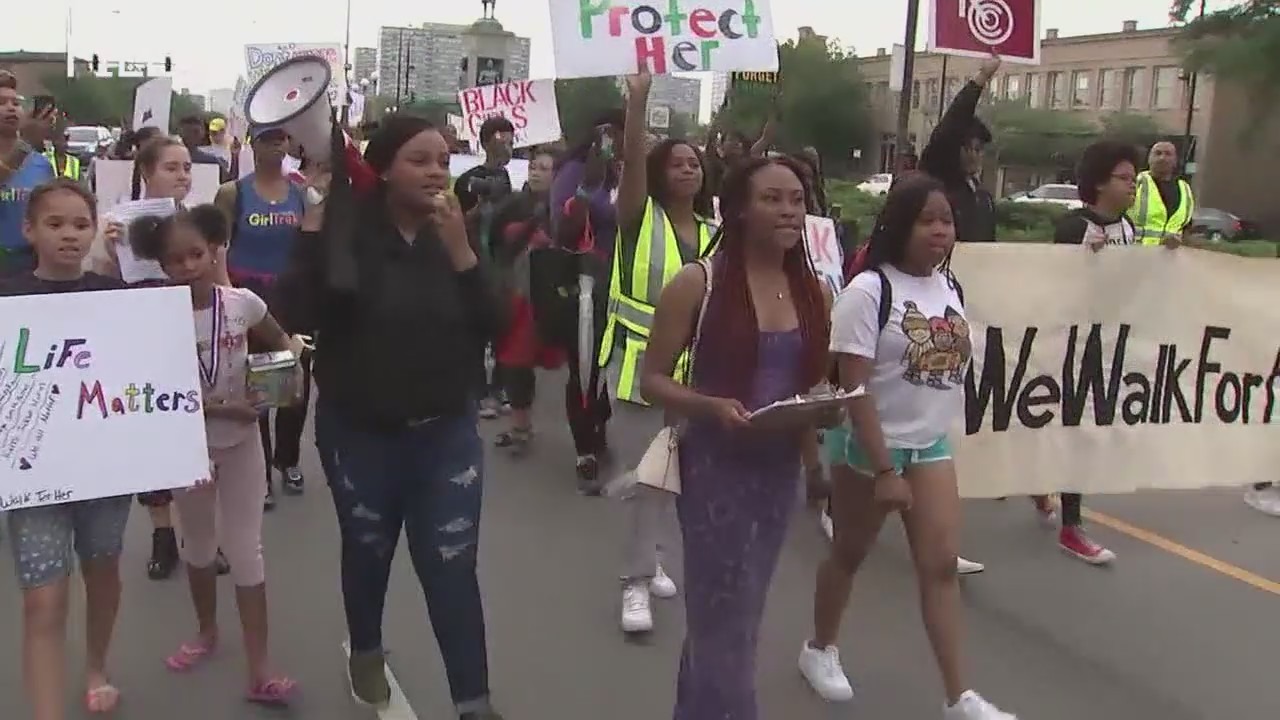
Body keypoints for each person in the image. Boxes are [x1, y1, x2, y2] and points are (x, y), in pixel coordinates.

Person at [277, 114, 504, 719]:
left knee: (452, 567)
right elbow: (296, 310)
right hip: (359, 434)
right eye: (420, 159)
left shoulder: (453, 231)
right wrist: (312, 229)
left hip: (445, 436)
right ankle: (367, 649)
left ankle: (474, 704)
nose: (436, 171)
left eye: (443, 159)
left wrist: (461, 252)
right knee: (369, 548)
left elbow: (497, 325)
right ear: (382, 169)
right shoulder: (345, 232)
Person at [800, 175, 1017, 720]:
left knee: (940, 566)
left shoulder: (950, 288)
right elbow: (854, 389)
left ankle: (958, 695)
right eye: (928, 220)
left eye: (947, 220)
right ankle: (819, 648)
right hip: (870, 448)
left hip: (929, 447)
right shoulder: (869, 292)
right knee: (850, 553)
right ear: (901, 226)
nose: (941, 230)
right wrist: (883, 468)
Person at [643, 156, 832, 719]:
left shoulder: (815, 289)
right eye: (773, 199)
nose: (789, 211)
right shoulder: (697, 282)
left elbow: (811, 383)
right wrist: (710, 407)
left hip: (778, 478)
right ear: (740, 210)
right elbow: (652, 380)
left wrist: (824, 418)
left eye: (797, 199)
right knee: (723, 623)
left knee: (734, 619)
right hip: (714, 474)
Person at [128, 204, 298, 704]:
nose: (187, 267)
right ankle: (206, 633)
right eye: (174, 260)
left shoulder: (242, 303)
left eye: (196, 255)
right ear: (160, 265)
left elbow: (282, 344)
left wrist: (280, 386)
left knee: (246, 550)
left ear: (214, 249)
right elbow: (147, 386)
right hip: (189, 449)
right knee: (198, 547)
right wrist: (221, 406)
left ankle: (260, 666)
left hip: (243, 446)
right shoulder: (154, 316)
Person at [0, 179, 132, 717]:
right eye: (55, 224)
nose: (69, 235)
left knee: (102, 571)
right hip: (32, 475)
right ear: (29, 230)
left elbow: (142, 384)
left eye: (81, 223)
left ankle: (97, 664)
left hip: (104, 470)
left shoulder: (119, 299)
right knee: (42, 599)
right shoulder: (6, 299)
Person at [606, 67, 716, 634]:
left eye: (695, 161)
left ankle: (654, 558)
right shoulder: (636, 216)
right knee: (645, 476)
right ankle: (634, 583)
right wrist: (639, 103)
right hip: (634, 367)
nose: (689, 168)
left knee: (679, 475)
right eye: (677, 161)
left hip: (695, 375)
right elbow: (630, 165)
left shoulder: (714, 230)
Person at [95, 136, 233, 580]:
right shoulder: (118, 221)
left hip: (195, 336)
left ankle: (203, 539)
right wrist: (107, 247)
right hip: (144, 335)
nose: (183, 175)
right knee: (153, 436)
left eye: (187, 167)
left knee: (198, 440)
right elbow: (105, 282)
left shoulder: (199, 223)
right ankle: (162, 535)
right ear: (147, 173)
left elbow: (223, 282)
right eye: (172, 167)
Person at [1040, 139, 1144, 565]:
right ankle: (1071, 525)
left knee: (1078, 426)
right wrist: (1085, 261)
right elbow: (1055, 284)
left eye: (1134, 179)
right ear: (1100, 182)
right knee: (1072, 427)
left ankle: (1041, 485)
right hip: (1070, 343)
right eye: (1124, 178)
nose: (1133, 186)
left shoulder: (1129, 230)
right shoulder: (1073, 226)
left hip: (1108, 343)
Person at [214, 125, 309, 508]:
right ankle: (261, 473)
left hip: (291, 298)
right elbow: (218, 247)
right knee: (256, 386)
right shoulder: (233, 192)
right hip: (249, 299)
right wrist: (225, 296)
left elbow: (313, 242)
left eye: (282, 138)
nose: (275, 145)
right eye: (267, 139)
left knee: (293, 386)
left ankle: (288, 460)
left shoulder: (301, 192)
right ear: (252, 144)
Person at [549, 109, 624, 491]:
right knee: (584, 365)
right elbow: (562, 232)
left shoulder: (631, 174)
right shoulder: (575, 171)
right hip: (585, 284)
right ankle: (585, 450)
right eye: (606, 134)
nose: (613, 142)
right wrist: (585, 188)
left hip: (623, 285)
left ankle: (600, 423)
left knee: (612, 366)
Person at [490, 147, 565, 454]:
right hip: (515, 296)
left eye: (544, 168)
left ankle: (590, 441)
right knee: (514, 362)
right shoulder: (512, 206)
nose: (535, 172)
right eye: (533, 167)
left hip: (549, 300)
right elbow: (494, 245)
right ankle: (520, 427)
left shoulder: (564, 211)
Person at [454, 116, 515, 419]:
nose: (508, 144)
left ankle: (500, 388)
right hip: (474, 263)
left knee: (502, 328)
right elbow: (455, 223)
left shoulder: (509, 180)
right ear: (487, 140)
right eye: (503, 138)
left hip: (503, 267)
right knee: (476, 330)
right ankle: (477, 392)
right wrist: (474, 214)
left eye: (511, 139)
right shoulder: (467, 179)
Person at [919, 54, 1001, 244]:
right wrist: (982, 77)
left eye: (978, 149)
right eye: (967, 148)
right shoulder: (938, 185)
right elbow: (954, 120)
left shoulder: (983, 198)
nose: (973, 155)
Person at [0, 70, 56, 276]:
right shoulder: (23, 152)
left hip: (29, 266)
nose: (10, 108)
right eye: (1, 102)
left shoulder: (40, 164)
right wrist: (19, 152)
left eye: (15, 103)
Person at [1128, 140, 1194, 247]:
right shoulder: (1137, 182)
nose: (1162, 158)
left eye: (1168, 154)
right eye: (1157, 153)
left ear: (1175, 161)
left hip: (1169, 258)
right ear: (1149, 159)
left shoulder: (1185, 189)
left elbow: (1186, 227)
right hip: (1136, 254)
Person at [178, 114, 231, 183]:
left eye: (196, 132)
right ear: (181, 133)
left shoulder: (212, 160)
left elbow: (228, 182)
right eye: (188, 131)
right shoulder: (169, 156)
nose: (192, 135)